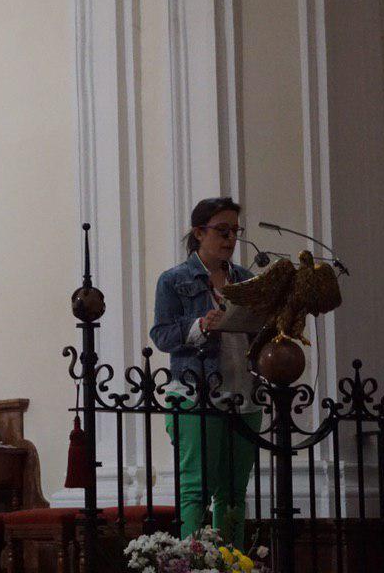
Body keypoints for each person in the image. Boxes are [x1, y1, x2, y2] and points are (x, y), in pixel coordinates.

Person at [149, 197, 263, 547]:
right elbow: (162, 335)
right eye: (222, 231)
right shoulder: (174, 280)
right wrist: (200, 325)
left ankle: (232, 562)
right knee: (196, 489)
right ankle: (194, 563)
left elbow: (258, 335)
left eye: (235, 232)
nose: (230, 239)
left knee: (234, 492)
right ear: (199, 232)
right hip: (196, 394)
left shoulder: (246, 279)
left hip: (244, 393)